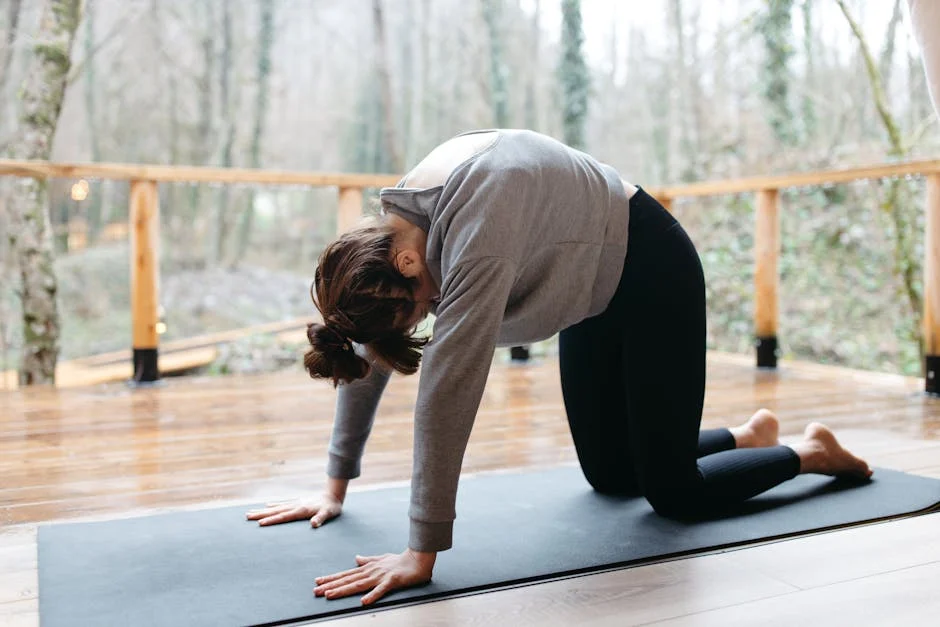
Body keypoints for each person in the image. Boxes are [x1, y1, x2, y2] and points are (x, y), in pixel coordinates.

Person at [246, 129, 872, 605]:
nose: (428, 313)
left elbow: (448, 389)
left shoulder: (475, 227)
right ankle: (742, 436)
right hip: (588, 288)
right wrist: (335, 482)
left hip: (651, 268)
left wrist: (421, 550)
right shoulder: (400, 235)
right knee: (610, 476)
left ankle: (808, 450)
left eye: (420, 310)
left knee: (675, 494)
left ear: (408, 267)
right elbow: (372, 346)